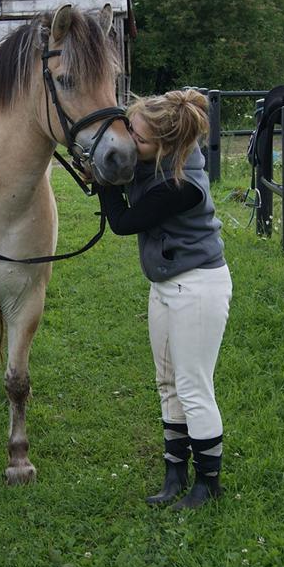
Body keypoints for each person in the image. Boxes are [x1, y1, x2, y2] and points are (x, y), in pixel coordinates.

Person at [96, 89, 232, 509]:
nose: (131, 142)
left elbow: (122, 221)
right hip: (166, 286)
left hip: (197, 287)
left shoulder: (182, 185)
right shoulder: (158, 166)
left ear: (166, 146)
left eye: (138, 139)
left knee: (193, 387)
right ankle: (174, 476)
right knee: (168, 383)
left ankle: (208, 485)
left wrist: (101, 179)